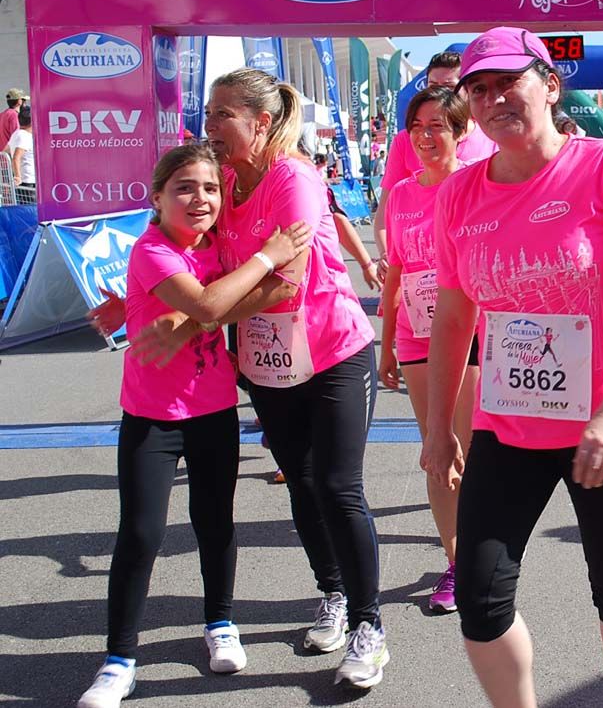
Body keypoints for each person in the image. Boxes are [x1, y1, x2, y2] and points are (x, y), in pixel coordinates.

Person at [426, 26, 603, 708]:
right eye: (478, 88)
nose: (493, 97)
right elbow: (453, 320)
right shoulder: (459, 195)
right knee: (480, 598)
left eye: (508, 81)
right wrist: (434, 430)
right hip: (508, 427)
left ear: (550, 84)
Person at [118, 70, 389, 688]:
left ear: (260, 123)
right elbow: (189, 250)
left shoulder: (293, 177)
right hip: (267, 360)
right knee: (300, 481)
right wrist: (137, 298)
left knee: (339, 485)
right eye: (209, 113)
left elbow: (281, 280)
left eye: (221, 115)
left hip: (334, 352)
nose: (208, 126)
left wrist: (188, 323)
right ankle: (335, 595)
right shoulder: (225, 185)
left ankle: (370, 627)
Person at [77, 144, 312, 708]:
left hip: (212, 414)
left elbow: (273, 290)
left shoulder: (220, 249)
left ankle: (220, 623)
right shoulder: (153, 251)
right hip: (152, 421)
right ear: (157, 198)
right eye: (184, 188)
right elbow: (211, 306)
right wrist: (269, 255)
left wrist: (135, 312)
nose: (200, 198)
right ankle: (119, 660)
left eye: (210, 188)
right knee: (140, 535)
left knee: (215, 523)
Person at [378, 86, 482, 614]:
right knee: (436, 451)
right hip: (416, 333)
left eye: (438, 125)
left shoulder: (478, 184)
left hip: (469, 330)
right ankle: (457, 561)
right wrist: (387, 344)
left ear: (462, 131)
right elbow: (396, 269)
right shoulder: (400, 193)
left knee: (468, 449)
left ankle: (481, 556)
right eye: (417, 126)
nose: (425, 135)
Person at [377, 52, 497, 277]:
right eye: (433, 84)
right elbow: (385, 214)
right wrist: (387, 257)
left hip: (471, 267)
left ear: (466, 89)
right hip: (419, 276)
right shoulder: (407, 140)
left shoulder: (491, 137)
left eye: (449, 85)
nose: (440, 92)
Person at [5, 104, 34, 202]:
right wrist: (18, 177)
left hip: (27, 180)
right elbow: (16, 157)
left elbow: (6, 150)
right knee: (30, 210)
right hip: (28, 181)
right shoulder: (24, 136)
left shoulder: (17, 134)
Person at [0, 87, 26, 154]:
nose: (25, 103)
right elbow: (16, 137)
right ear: (19, 101)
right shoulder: (14, 115)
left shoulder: (2, 114)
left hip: (3, 157)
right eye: (24, 100)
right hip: (12, 155)